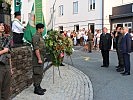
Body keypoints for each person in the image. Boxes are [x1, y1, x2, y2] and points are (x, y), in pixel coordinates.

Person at [32, 23, 46, 95]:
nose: (43, 30)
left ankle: (39, 86)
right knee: (37, 73)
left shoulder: (40, 36)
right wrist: (39, 59)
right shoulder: (36, 36)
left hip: (41, 56)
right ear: (39, 29)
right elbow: (36, 49)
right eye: (42, 28)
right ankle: (36, 89)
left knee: (40, 72)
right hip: (37, 58)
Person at [0, 21, 13, 100]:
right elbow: (6, 51)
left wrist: (11, 68)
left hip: (7, 65)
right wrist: (3, 51)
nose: (2, 26)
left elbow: (9, 55)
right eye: (0, 25)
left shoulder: (6, 39)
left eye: (2, 25)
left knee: (6, 90)